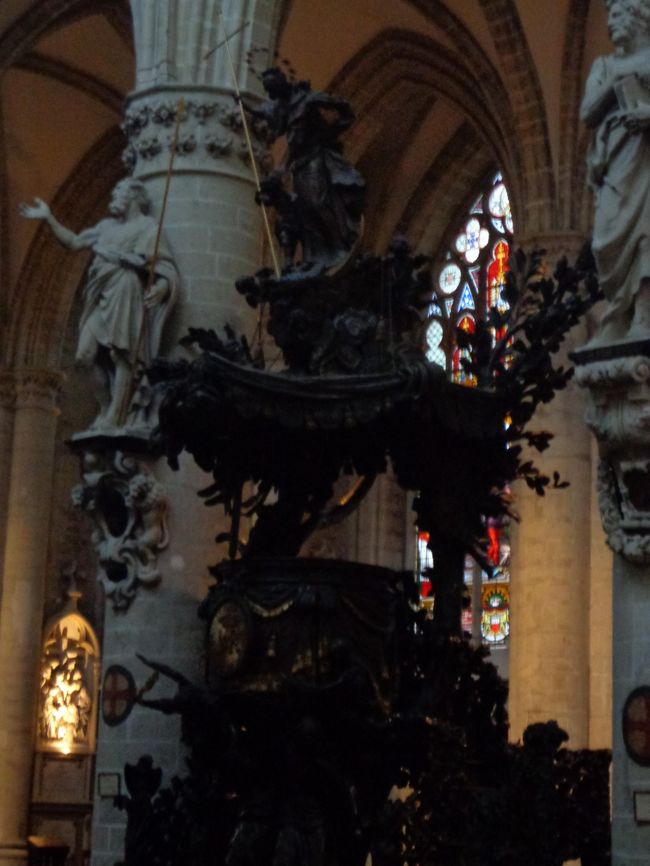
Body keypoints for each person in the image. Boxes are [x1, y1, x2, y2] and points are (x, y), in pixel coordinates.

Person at [20, 178, 179, 430]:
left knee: (123, 355)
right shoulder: (106, 227)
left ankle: (116, 416)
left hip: (126, 289)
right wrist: (48, 218)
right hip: (102, 295)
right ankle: (106, 408)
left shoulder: (148, 228)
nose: (112, 197)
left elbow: (162, 266)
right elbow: (74, 242)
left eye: (118, 192)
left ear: (133, 197)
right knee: (84, 356)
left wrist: (162, 287)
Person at [246, 68, 365, 271]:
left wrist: (330, 132)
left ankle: (339, 244)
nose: (272, 93)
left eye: (272, 87)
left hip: (315, 159)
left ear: (282, 82)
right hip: (299, 165)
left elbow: (343, 110)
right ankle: (313, 255)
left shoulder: (307, 99)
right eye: (269, 90)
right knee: (305, 210)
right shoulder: (282, 107)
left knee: (317, 203)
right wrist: (244, 103)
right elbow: (266, 112)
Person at [581, 0, 650, 343]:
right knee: (605, 239)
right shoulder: (604, 65)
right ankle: (617, 312)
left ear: (640, 17)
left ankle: (643, 316)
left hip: (646, 160)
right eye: (610, 16)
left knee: (646, 237)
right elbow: (587, 113)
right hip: (616, 161)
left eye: (620, 14)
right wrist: (614, 83)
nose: (612, 23)